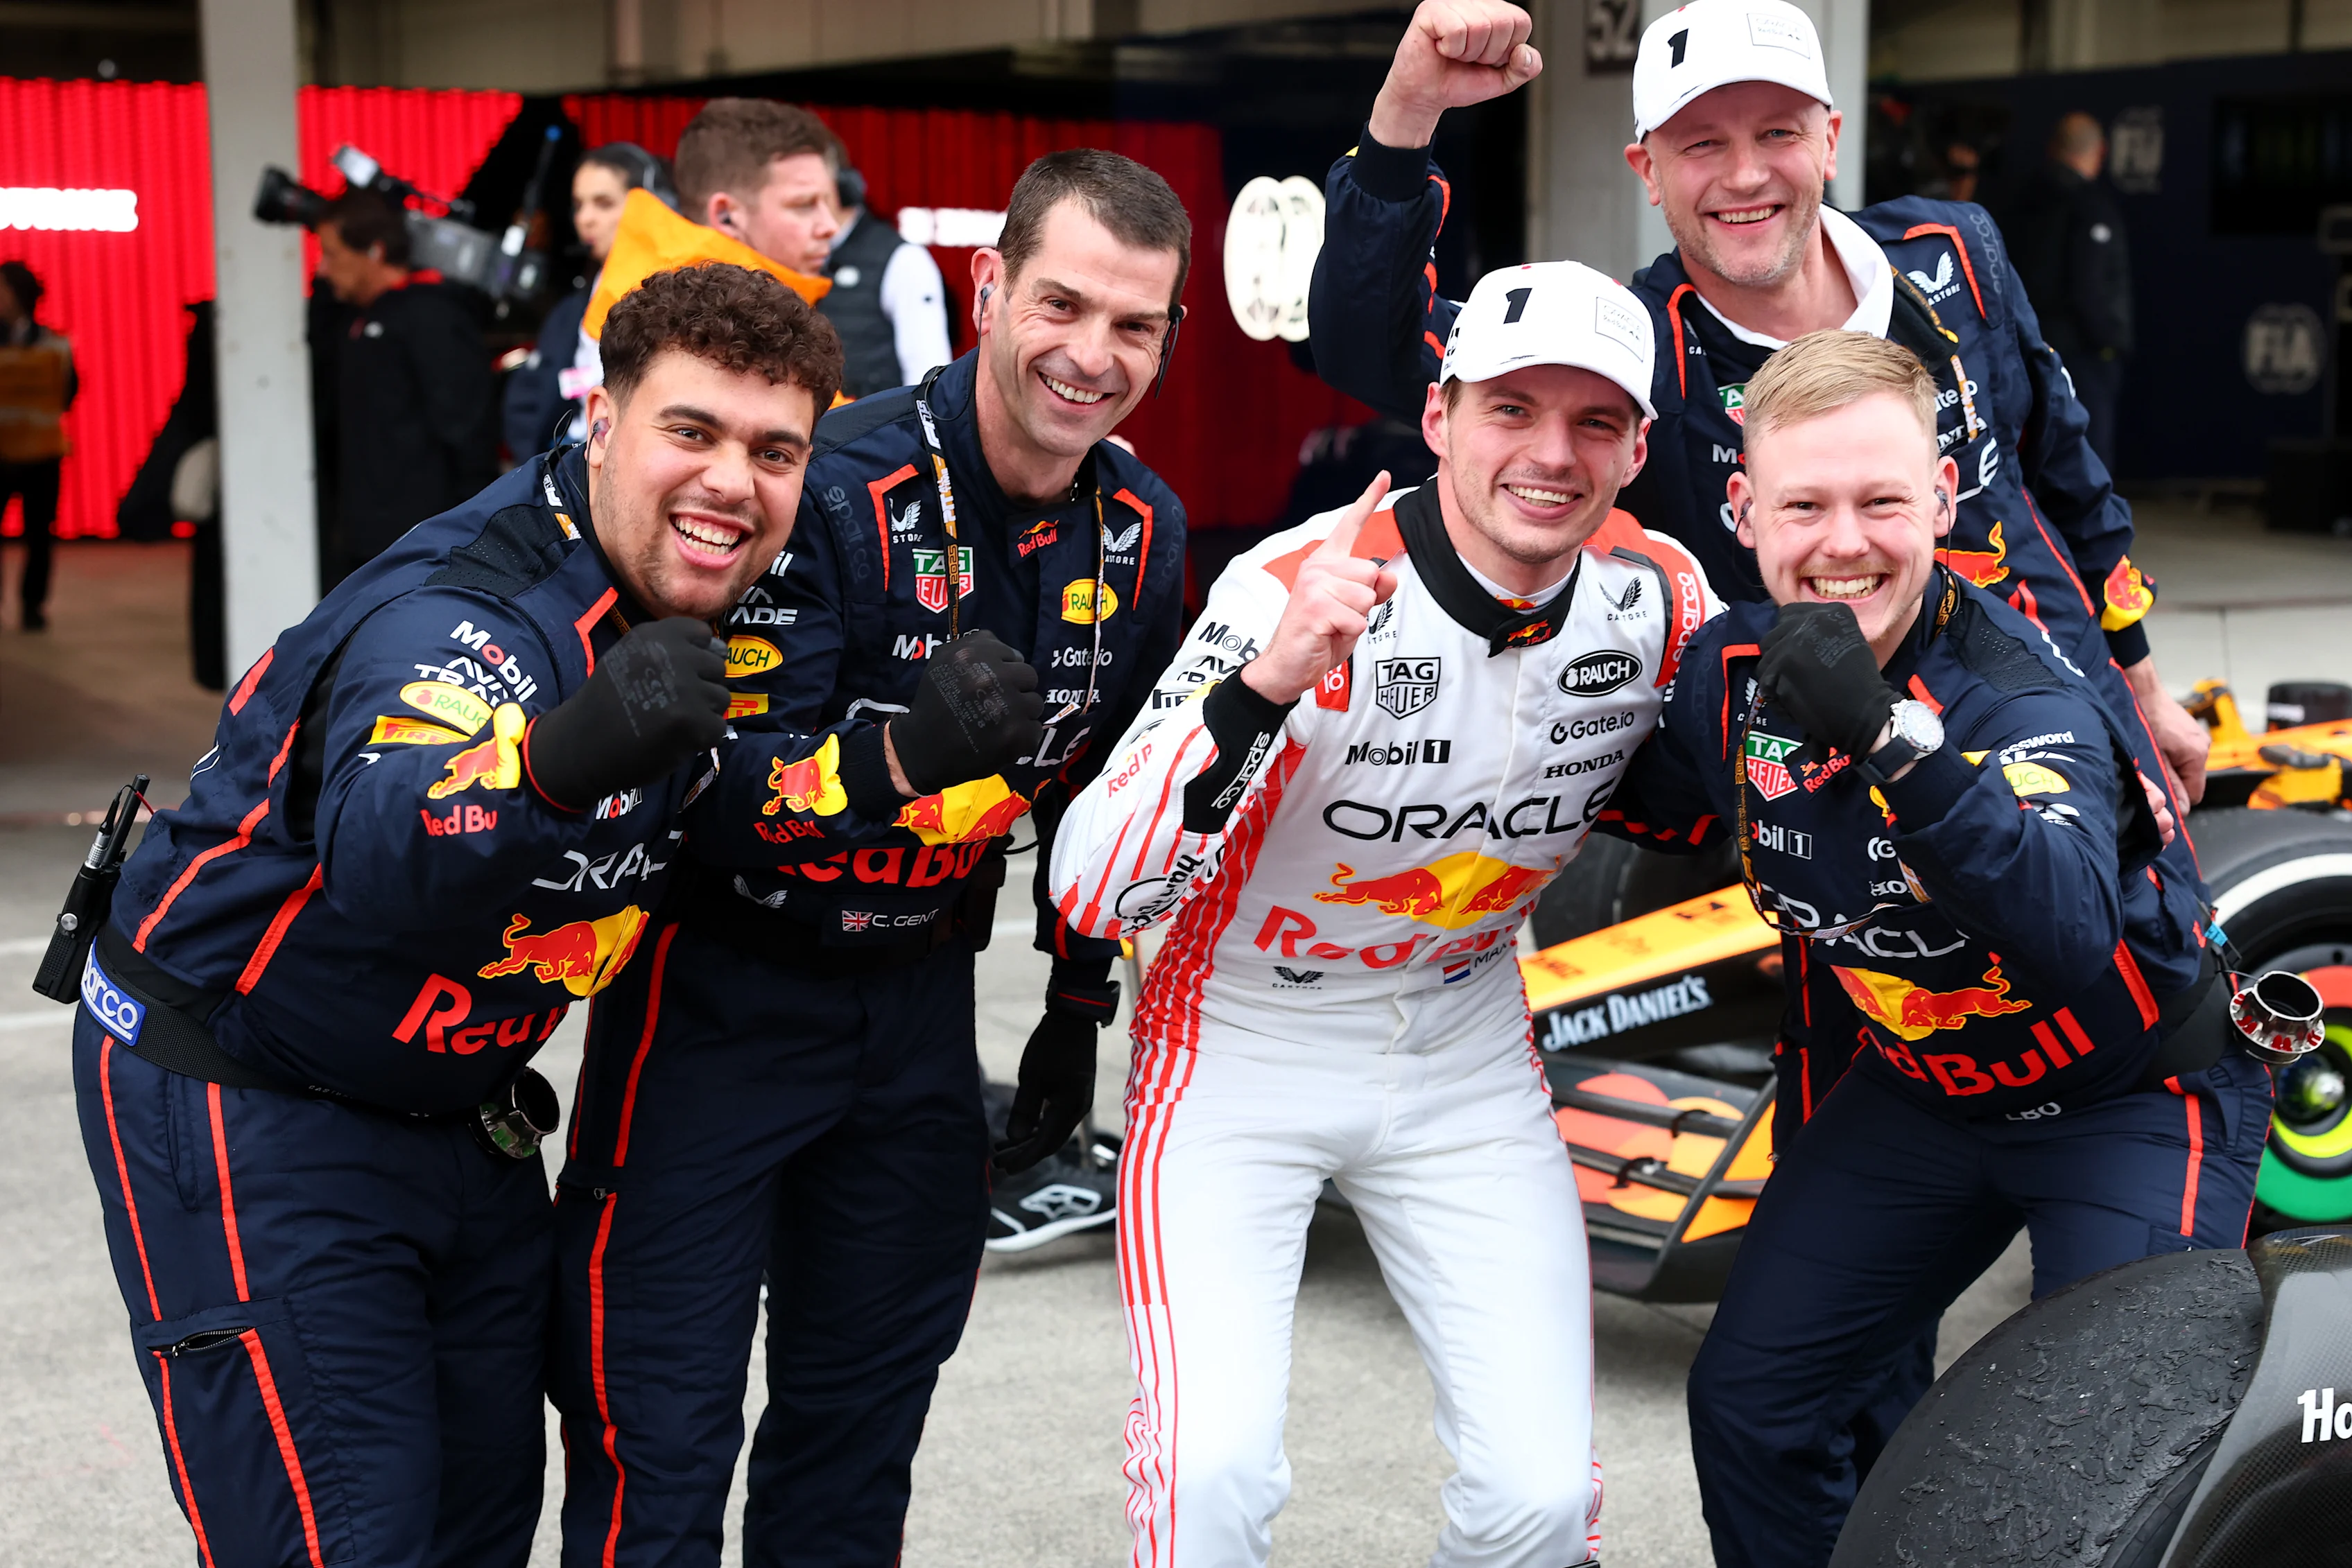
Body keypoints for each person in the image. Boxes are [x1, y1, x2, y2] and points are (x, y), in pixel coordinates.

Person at [70, 264, 842, 1568]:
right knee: (345, 1536)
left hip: (457, 1109)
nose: (734, 482)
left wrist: (906, 764)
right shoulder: (464, 618)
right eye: (691, 431)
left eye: (776, 451)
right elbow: (388, 838)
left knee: (483, 1523)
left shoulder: (687, 584)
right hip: (249, 1094)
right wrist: (560, 755)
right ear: (600, 420)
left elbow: (718, 799)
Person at [550, 147, 1194, 1568]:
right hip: (714, 1002)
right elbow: (713, 786)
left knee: (859, 1443)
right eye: (1062, 305)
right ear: (988, 288)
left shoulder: (1146, 530)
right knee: (655, 1441)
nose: (1091, 357)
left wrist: (1078, 1012)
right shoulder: (826, 483)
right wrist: (900, 755)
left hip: (918, 1024)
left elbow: (1110, 805)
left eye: (1134, 326)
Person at [1050, 259, 1717, 1568]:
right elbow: (1086, 882)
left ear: (1639, 447)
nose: (1550, 453)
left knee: (1538, 1498)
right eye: (1511, 409)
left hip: (1466, 1044)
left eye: (1594, 422)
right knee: (1208, 1478)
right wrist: (1270, 681)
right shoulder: (1291, 585)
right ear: (1440, 416)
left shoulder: (1660, 594)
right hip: (1237, 1044)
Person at [1593, 329, 2266, 1568]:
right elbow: (1624, 798)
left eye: (1881, 501)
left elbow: (2062, 927)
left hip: (2127, 1097)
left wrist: (1887, 736)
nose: (1842, 541)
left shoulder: (2024, 693)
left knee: (2101, 1456)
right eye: (1804, 503)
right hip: (1923, 1095)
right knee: (1753, 1406)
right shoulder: (1724, 670)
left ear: (1943, 501)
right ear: (1744, 511)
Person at [1308, 0, 2208, 826]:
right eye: (1699, 143)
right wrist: (1406, 114)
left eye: (1777, 131)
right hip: (1862, 815)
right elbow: (1367, 347)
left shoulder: (1952, 253)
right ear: (1647, 171)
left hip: (2074, 725)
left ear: (1829, 140)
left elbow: (2067, 478)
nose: (1744, 175)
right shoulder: (1633, 354)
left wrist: (2145, 686)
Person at [571, 101, 840, 415]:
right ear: (725, 216)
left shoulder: (654, 282)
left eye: (829, 202)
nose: (829, 226)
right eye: (803, 205)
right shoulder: (706, 319)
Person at [314, 189, 499, 582]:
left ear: (375, 252)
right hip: (364, 540)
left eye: (331, 254)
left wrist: (474, 538)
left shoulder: (433, 316)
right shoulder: (355, 320)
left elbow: (466, 434)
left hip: (423, 547)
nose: (323, 269)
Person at [501, 142, 672, 459]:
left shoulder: (676, 294)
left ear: (655, 204)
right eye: (579, 205)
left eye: (603, 203)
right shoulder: (574, 306)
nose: (586, 219)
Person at [2010, 112, 2134, 469]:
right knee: (2087, 458)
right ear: (2101, 152)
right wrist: (2108, 342)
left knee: (2035, 454)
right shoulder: (2089, 205)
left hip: (2025, 348)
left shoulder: (2019, 200)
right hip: (2081, 354)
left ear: (2053, 149)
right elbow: (2089, 287)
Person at [817, 157, 953, 397]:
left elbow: (928, 374)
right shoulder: (785, 254)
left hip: (873, 429)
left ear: (844, 189)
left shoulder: (903, 259)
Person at [0, 259, 76, 630]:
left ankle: (33, 606)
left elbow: (69, 392)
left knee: (39, 537)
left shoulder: (53, 343)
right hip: (0, 456)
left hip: (43, 454)